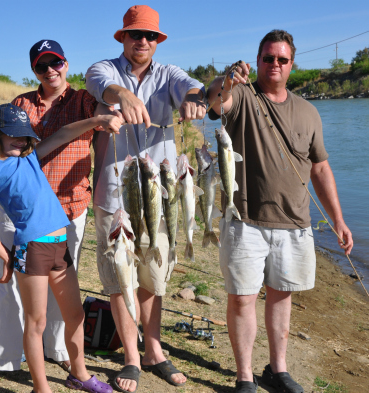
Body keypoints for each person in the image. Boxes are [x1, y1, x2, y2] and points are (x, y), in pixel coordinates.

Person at [207, 30, 353, 393]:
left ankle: (278, 369)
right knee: (241, 298)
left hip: (295, 223)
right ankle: (244, 376)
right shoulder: (240, 95)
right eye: (268, 58)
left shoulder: (308, 111)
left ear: (292, 65)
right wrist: (227, 78)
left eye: (282, 60)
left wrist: (338, 219)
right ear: (256, 62)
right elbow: (214, 100)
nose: (275, 65)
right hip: (245, 220)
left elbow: (320, 168)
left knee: (281, 296)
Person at [0, 40, 100, 392]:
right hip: (32, 248)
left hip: (60, 243)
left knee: (75, 315)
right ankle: (41, 387)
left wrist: (98, 119)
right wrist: (5, 254)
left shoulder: (30, 157)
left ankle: (79, 373)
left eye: (23, 136)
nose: (18, 140)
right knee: (35, 322)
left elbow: (65, 133)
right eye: (11, 135)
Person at [85, 5, 205, 393]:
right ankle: (131, 357)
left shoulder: (169, 74)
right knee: (120, 277)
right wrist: (122, 95)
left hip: (158, 194)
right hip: (113, 192)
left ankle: (153, 349)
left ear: (158, 41)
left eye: (150, 36)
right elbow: (100, 85)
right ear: (123, 37)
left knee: (153, 275)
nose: (143, 41)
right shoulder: (102, 69)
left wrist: (192, 98)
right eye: (136, 34)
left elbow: (192, 87)